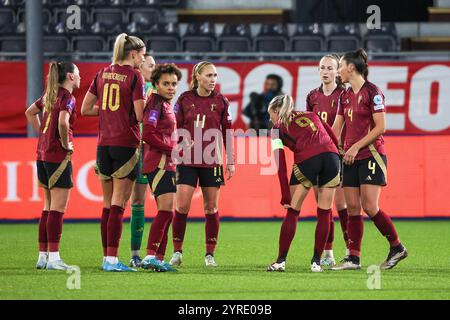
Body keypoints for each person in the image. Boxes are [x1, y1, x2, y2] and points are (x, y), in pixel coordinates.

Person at [331, 48, 408, 270]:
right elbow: (336, 128)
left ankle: (397, 247)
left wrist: (354, 146)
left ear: (351, 68)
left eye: (340, 66)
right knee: (353, 207)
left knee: (369, 205)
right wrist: (326, 147)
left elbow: (381, 127)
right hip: (349, 157)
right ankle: (353, 258)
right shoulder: (344, 95)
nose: (338, 71)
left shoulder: (373, 92)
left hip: (371, 154)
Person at [81, 33, 146, 272]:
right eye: (142, 54)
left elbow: (86, 109)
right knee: (120, 204)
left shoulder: (101, 73)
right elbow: (140, 115)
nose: (143, 58)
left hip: (103, 144)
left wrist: (109, 110)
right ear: (133, 53)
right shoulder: (135, 76)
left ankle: (105, 257)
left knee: (107, 204)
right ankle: (111, 260)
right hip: (126, 143)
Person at [170, 61, 235, 267]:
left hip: (212, 160)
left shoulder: (222, 101)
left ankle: (209, 254)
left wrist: (231, 160)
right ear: (197, 76)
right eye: (208, 75)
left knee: (211, 207)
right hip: (186, 160)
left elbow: (228, 132)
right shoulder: (184, 99)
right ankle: (177, 252)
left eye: (215, 76)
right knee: (182, 206)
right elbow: (174, 128)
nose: (212, 80)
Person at [266, 94, 341, 273]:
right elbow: (333, 138)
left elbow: (280, 164)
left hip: (307, 160)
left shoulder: (276, 129)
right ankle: (316, 262)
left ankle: (280, 261)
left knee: (293, 211)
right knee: (324, 212)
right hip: (331, 158)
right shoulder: (312, 115)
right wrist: (337, 160)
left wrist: (285, 193)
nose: (270, 119)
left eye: (271, 114)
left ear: (277, 110)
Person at [25, 61, 80, 270]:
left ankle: (43, 256)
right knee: (58, 208)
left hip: (42, 154)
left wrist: (43, 134)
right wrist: (66, 144)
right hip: (57, 155)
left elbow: (29, 112)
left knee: (47, 207)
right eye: (79, 74)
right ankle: (55, 258)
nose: (80, 77)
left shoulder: (50, 95)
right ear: (71, 77)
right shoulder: (68, 97)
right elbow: (63, 122)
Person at [305, 54, 348, 267]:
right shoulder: (312, 96)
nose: (325, 71)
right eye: (322, 67)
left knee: (342, 205)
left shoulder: (345, 94)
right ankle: (328, 252)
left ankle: (351, 251)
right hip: (317, 157)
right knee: (324, 207)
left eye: (330, 68)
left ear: (338, 71)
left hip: (338, 156)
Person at [140, 63, 182, 272]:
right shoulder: (155, 103)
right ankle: (149, 256)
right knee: (165, 211)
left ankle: (158, 258)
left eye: (174, 84)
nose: (171, 87)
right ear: (156, 84)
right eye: (166, 83)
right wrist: (171, 149)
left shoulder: (165, 104)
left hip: (167, 161)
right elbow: (148, 133)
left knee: (168, 212)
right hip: (158, 162)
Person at [129, 53, 156, 268]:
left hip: (149, 151)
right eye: (150, 65)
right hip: (129, 148)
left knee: (142, 202)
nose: (153, 69)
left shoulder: (156, 92)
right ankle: (113, 255)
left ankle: (144, 254)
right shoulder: (131, 88)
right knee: (124, 203)